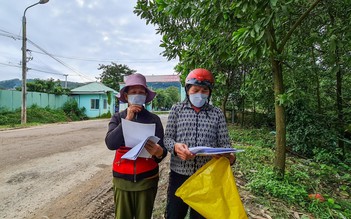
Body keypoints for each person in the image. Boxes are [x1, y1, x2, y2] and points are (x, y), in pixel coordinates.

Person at [164, 68, 236, 219]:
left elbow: (225, 145)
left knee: (201, 217)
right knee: (174, 215)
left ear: (209, 93)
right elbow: (167, 139)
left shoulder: (216, 113)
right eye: (195, 90)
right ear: (188, 90)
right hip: (179, 175)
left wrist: (228, 157)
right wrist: (176, 148)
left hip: (206, 178)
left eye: (204, 91)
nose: (200, 94)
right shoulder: (177, 110)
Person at [105, 73, 168, 219]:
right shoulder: (118, 118)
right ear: (126, 96)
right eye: (133, 92)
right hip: (122, 180)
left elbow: (162, 152)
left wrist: (158, 152)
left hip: (147, 180)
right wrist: (127, 120)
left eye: (141, 92)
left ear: (146, 96)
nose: (137, 95)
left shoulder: (154, 119)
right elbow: (111, 144)